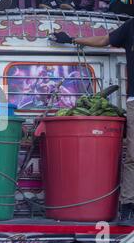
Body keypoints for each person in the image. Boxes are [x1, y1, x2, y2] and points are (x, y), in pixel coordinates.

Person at [50, 18, 134, 225]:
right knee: (133, 157)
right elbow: (105, 39)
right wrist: (73, 40)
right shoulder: (131, 26)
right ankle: (127, 208)